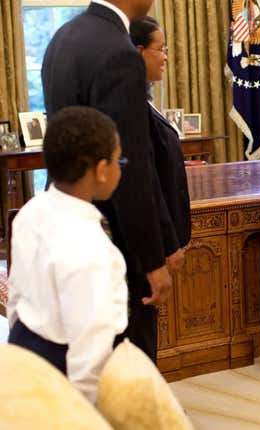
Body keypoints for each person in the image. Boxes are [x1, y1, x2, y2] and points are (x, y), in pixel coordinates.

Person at [41, 0, 175, 361]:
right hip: (112, 236)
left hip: (66, 221)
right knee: (127, 360)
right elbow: (129, 165)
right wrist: (152, 258)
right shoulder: (119, 51)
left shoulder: (63, 37)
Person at [7, 106, 127, 403]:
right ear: (101, 171)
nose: (120, 168)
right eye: (118, 160)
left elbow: (16, 296)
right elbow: (91, 346)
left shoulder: (30, 212)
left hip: (24, 344)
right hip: (64, 367)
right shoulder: (91, 248)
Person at [130, 16, 190, 273]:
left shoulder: (143, 98)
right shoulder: (130, 107)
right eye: (161, 49)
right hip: (152, 245)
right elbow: (147, 181)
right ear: (139, 52)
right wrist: (166, 243)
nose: (165, 57)